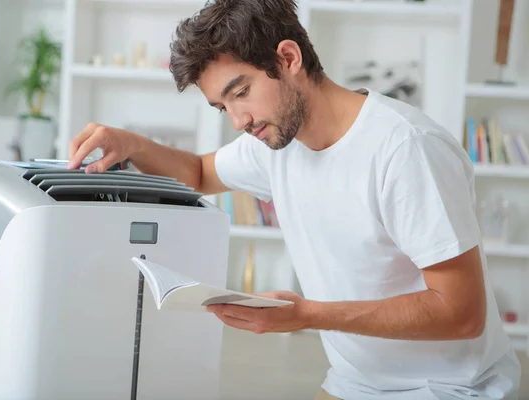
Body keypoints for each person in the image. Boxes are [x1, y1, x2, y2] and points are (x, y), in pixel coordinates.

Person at [66, 0, 521, 399]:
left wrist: (305, 316)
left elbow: (461, 314)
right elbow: (200, 172)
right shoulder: (276, 142)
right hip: (356, 381)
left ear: (288, 58)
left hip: (448, 387)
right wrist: (131, 143)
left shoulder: (406, 149)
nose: (238, 119)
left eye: (240, 92)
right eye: (222, 107)